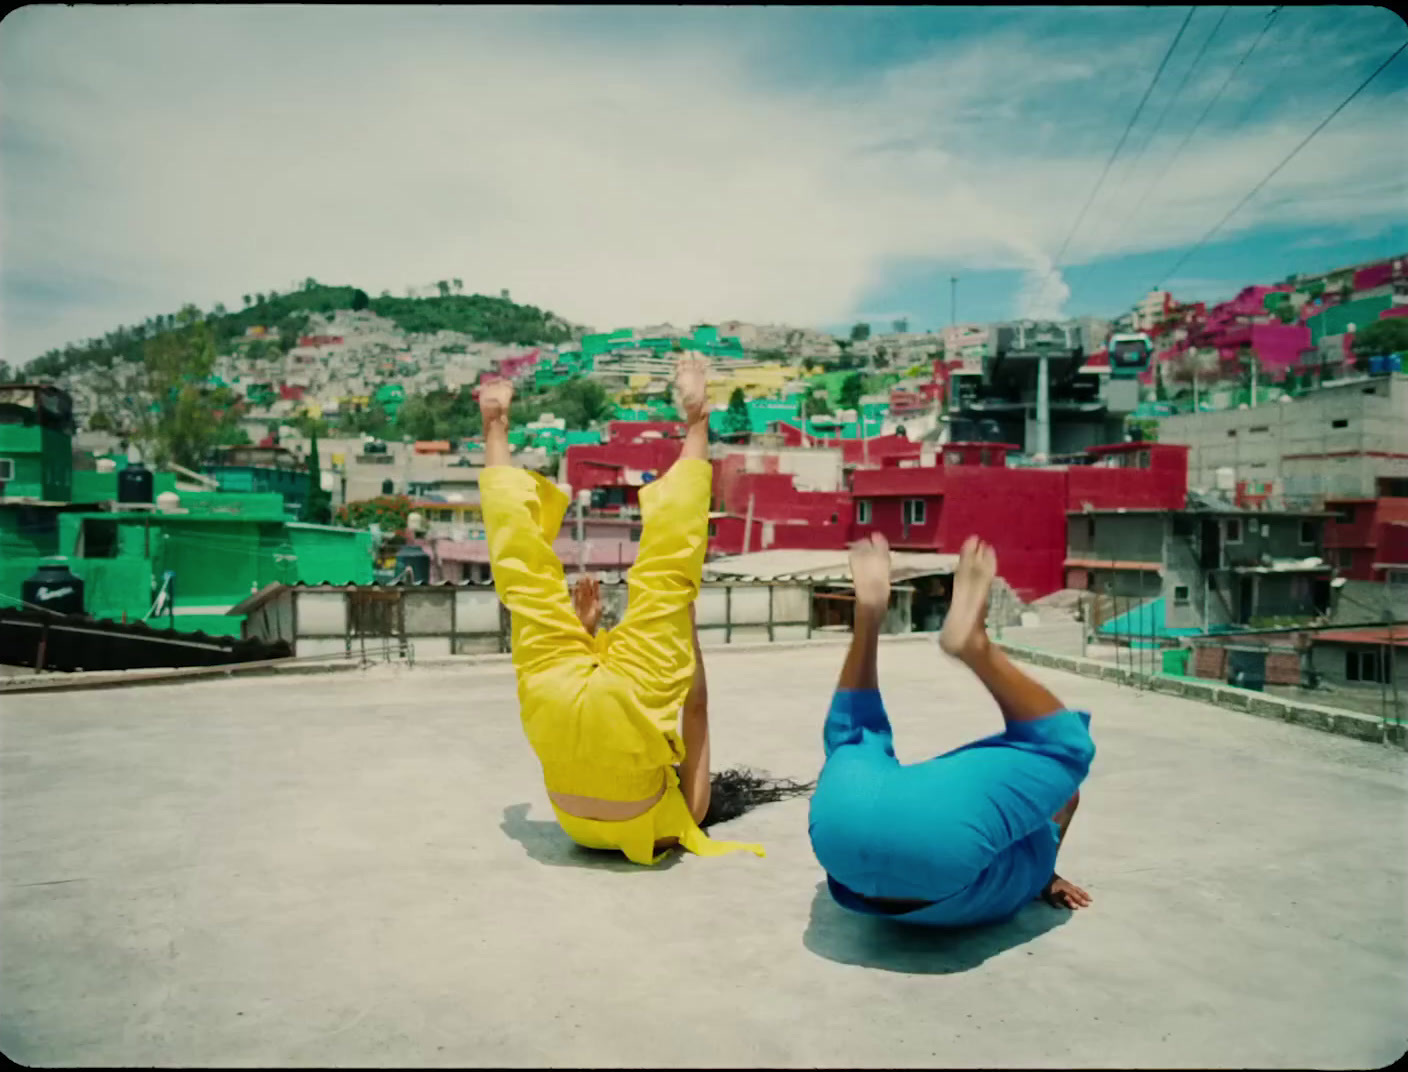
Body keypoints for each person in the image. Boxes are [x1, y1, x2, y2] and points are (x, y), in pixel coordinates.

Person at [477, 355, 764, 866]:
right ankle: (494, 433)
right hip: (563, 737)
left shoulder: (687, 815)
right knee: (524, 583)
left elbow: (693, 708)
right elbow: (596, 740)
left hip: (625, 700)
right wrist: (582, 642)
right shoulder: (678, 821)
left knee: (667, 570)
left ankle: (697, 421)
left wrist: (681, 618)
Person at [808, 532, 1095, 927]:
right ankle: (974, 646)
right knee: (1066, 755)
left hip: (843, 828)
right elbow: (1060, 779)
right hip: (864, 843)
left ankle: (868, 616)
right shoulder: (1025, 862)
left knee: (854, 738)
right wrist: (1045, 875)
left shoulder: (985, 831)